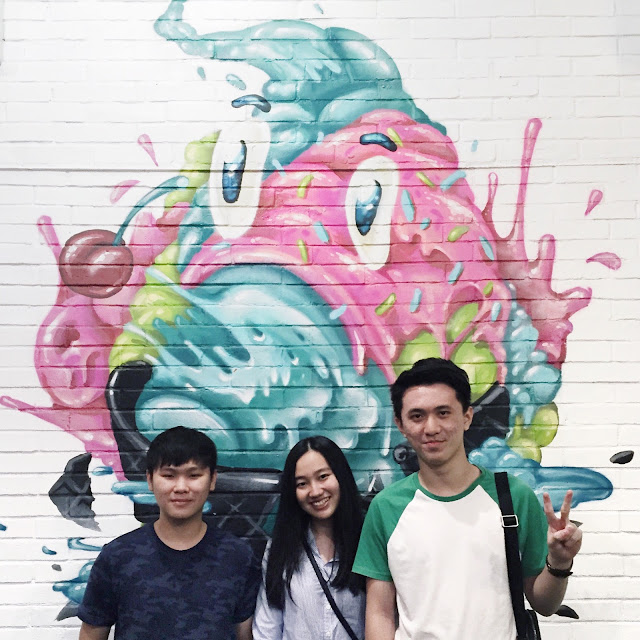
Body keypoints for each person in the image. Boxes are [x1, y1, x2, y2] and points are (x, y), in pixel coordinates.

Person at [353, 358, 583, 640]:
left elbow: (545, 604)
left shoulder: (513, 497)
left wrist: (559, 562)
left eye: (443, 413)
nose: (431, 427)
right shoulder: (386, 507)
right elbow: (380, 613)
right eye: (417, 416)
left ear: (467, 417)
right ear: (401, 424)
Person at [77, 426, 260, 640]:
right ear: (150, 480)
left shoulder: (238, 556)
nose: (181, 487)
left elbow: (244, 635)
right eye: (168, 475)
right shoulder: (118, 556)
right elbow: (91, 633)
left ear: (212, 480)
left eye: (194, 475)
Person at [252, 435, 366, 640]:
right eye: (302, 483)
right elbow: (267, 628)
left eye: (323, 477)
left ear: (340, 476)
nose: (315, 491)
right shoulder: (280, 548)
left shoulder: (367, 542)